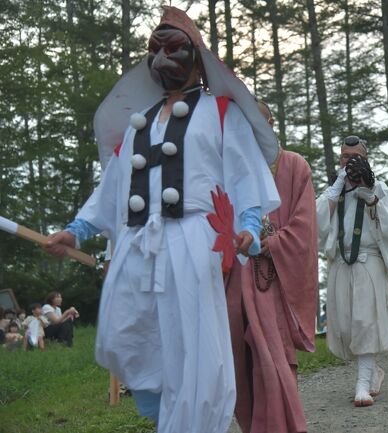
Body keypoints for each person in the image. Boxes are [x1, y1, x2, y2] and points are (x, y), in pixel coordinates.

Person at [44, 7, 280, 433]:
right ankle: (163, 419)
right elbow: (111, 189)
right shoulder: (140, 123)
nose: (163, 58)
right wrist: (77, 231)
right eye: (154, 50)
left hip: (193, 240)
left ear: (197, 57)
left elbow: (244, 173)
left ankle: (190, 425)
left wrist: (248, 227)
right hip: (136, 244)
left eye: (175, 48)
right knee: (126, 336)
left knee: (191, 346)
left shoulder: (221, 112)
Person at [226, 99, 318, 433]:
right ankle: (252, 424)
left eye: (259, 123)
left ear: (272, 123)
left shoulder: (295, 166)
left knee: (273, 356)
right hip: (235, 273)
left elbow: (305, 226)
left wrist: (272, 244)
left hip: (273, 277)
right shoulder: (230, 168)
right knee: (239, 356)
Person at [316, 135, 388, 407]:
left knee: (365, 322)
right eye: (345, 156)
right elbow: (316, 225)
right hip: (341, 264)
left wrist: (372, 197)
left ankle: (362, 384)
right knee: (346, 327)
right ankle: (372, 370)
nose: (350, 161)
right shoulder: (333, 191)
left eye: (356, 157)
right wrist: (337, 186)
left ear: (366, 159)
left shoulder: (380, 188)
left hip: (368, 262)